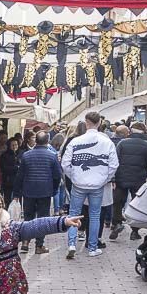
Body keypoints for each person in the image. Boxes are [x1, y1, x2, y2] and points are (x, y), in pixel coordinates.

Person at [60, 110, 119, 259]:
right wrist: (105, 179)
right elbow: (114, 165)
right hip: (97, 185)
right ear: (99, 123)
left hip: (78, 184)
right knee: (94, 216)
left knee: (73, 214)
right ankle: (92, 247)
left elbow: (65, 163)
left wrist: (74, 176)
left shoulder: (75, 141)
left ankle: (72, 244)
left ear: (86, 123)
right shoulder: (107, 142)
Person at [111, 122, 147, 241]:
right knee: (136, 204)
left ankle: (117, 223)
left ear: (131, 131)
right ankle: (134, 231)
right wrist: (145, 175)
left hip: (121, 178)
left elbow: (114, 162)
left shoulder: (122, 143)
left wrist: (114, 177)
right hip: (138, 179)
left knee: (118, 202)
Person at [18, 132, 64, 254]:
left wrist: (17, 192)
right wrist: (54, 189)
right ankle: (39, 246)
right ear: (47, 141)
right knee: (42, 219)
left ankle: (25, 242)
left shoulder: (26, 155)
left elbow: (20, 175)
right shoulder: (52, 156)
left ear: (36, 141)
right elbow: (57, 175)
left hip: (28, 191)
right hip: (45, 192)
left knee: (28, 217)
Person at [0, 134, 22, 205]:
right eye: (13, 145)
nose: (15, 147)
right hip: (8, 180)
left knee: (18, 198)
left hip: (18, 180)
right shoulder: (4, 155)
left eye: (16, 145)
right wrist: (16, 168)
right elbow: (3, 168)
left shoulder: (20, 154)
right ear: (9, 146)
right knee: (7, 198)